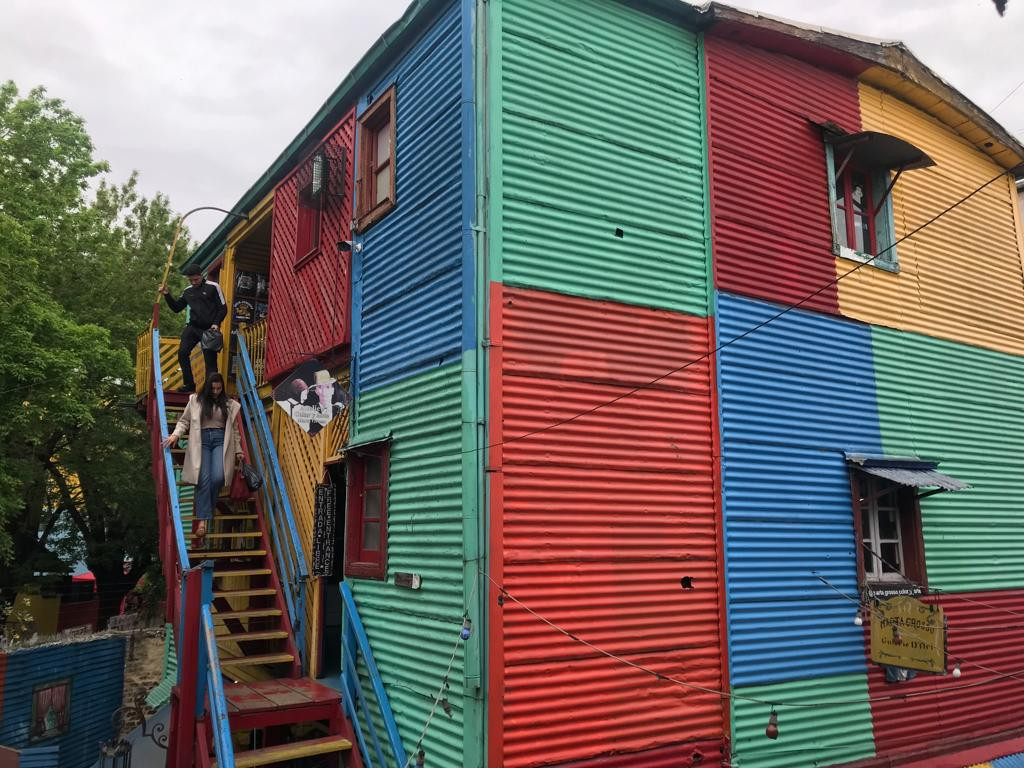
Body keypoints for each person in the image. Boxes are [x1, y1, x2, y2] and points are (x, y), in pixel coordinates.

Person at [161, 373, 243, 543]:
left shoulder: (229, 404)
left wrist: (239, 450)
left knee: (218, 477)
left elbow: (234, 430)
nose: (215, 391)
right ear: (207, 386)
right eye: (213, 388)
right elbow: (184, 421)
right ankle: (203, 521)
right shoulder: (196, 400)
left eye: (219, 388)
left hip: (221, 440)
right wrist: (175, 435)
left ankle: (204, 516)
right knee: (203, 479)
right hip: (202, 442)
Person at [158, 264, 227, 394]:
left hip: (209, 329)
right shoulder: (188, 291)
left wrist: (216, 323)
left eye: (196, 279)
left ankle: (210, 390)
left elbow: (223, 308)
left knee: (210, 361)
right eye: (191, 280)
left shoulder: (213, 287)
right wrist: (167, 294)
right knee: (182, 353)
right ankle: (189, 384)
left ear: (201, 276)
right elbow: (176, 308)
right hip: (193, 327)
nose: (193, 282)